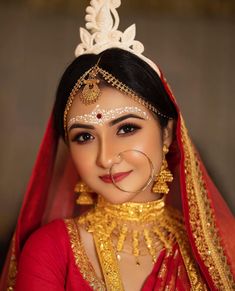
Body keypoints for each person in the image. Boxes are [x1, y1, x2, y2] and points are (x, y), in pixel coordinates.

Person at [1, 1, 235, 290]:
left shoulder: (214, 251)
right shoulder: (51, 250)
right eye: (84, 137)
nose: (106, 157)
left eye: (126, 128)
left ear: (167, 133)